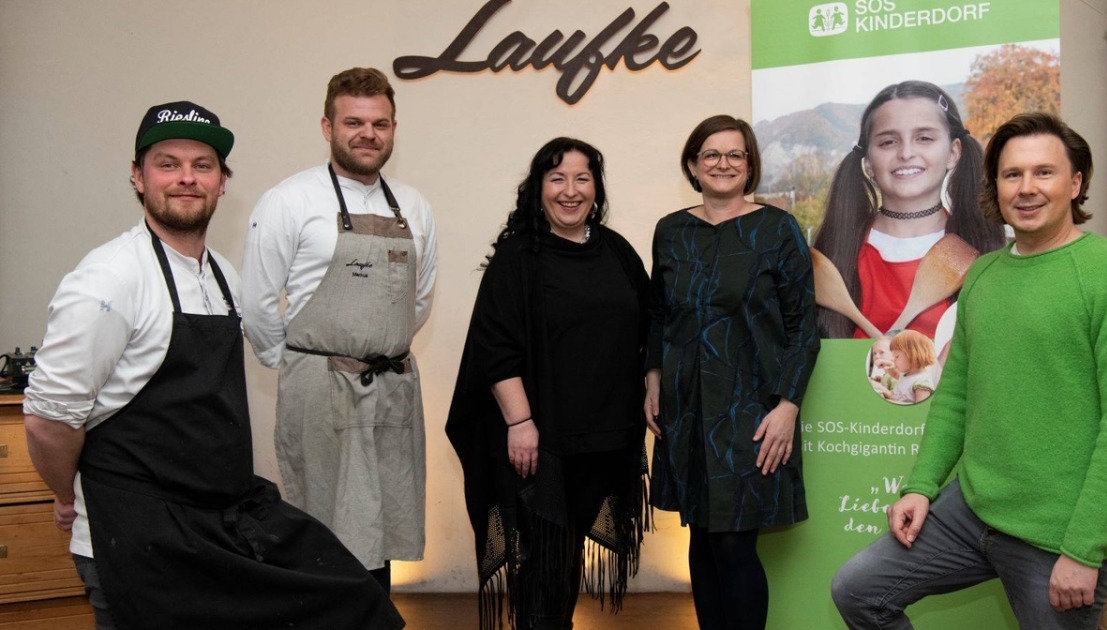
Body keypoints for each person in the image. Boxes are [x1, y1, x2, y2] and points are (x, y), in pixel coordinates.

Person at [23, 101, 404, 630]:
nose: (187, 178)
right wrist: (68, 496)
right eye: (168, 164)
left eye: (202, 165)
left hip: (218, 522)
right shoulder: (108, 279)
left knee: (355, 599)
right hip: (138, 537)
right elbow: (47, 421)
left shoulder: (222, 274)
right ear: (138, 176)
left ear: (222, 182)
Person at [831, 113, 1107, 629]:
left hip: (1059, 533)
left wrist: (1084, 548)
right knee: (858, 590)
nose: (1026, 188)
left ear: (1076, 183)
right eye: (1012, 175)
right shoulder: (984, 273)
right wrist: (920, 486)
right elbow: (956, 397)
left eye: (1044, 172)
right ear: (995, 187)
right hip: (972, 510)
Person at [241, 67, 437, 591]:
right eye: (354, 122)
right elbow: (257, 304)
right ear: (328, 127)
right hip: (320, 390)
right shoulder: (289, 200)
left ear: (393, 129)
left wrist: (375, 345)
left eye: (380, 124)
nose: (368, 134)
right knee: (325, 530)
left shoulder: (414, 206)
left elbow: (418, 300)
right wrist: (301, 363)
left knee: (383, 523)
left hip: (391, 388)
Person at [446, 137, 649, 629]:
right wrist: (520, 422)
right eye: (557, 178)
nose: (570, 190)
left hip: (606, 439)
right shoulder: (518, 258)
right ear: (538, 189)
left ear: (596, 188)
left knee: (567, 555)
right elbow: (495, 348)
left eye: (582, 178)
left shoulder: (617, 251)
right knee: (542, 562)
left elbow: (650, 325)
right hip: (542, 445)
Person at [644, 115, 821, 630]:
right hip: (686, 406)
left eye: (735, 154)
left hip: (754, 410)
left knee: (733, 543)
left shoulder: (777, 229)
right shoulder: (671, 231)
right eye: (711, 154)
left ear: (749, 166)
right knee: (701, 536)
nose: (723, 164)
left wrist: (788, 407)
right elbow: (658, 313)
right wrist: (652, 379)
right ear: (693, 165)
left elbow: (803, 328)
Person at [814, 80, 1006, 339]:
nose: (906, 153)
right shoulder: (835, 251)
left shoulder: (980, 249)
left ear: (953, 153)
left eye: (924, 138)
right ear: (868, 162)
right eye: (888, 142)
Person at [887, 329, 937, 404]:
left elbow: (920, 408)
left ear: (912, 355)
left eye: (897, 356)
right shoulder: (906, 375)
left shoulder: (922, 383)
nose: (893, 360)